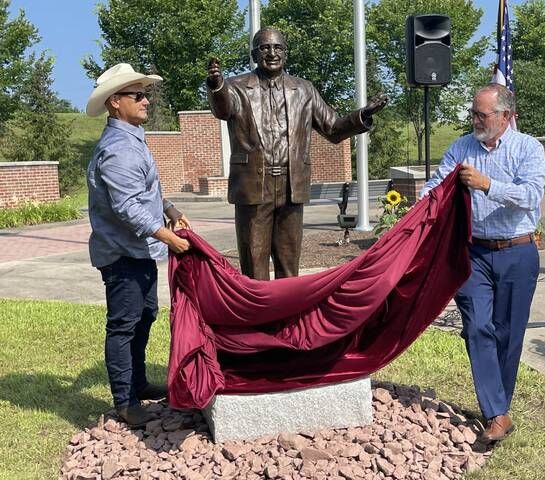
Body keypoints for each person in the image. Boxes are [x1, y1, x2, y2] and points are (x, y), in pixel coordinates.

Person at [206, 27, 387, 280]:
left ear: (286, 53)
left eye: (278, 47)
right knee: (254, 268)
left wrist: (362, 115)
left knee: (289, 267)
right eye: (265, 48)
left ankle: (286, 318)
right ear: (254, 54)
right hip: (254, 187)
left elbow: (332, 128)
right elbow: (223, 110)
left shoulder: (304, 89)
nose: (271, 53)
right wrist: (216, 86)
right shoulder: (235, 87)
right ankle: (258, 319)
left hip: (292, 185)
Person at [420, 83, 545, 443]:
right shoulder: (461, 147)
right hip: (472, 253)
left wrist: (487, 184)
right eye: (473, 113)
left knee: (508, 334)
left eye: (482, 114)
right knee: (477, 327)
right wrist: (418, 210)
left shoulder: (528, 148)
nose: (475, 119)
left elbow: (531, 196)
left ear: (506, 116)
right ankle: (497, 413)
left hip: (517, 252)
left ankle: (498, 411)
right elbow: (436, 187)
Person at [85, 63, 191, 427]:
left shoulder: (133, 139)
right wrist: (169, 238)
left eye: (145, 94)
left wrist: (171, 210)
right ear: (115, 102)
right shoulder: (118, 149)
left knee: (145, 317)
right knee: (124, 325)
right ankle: (125, 402)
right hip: (122, 255)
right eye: (138, 95)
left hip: (139, 252)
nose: (146, 100)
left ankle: (138, 382)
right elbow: (127, 207)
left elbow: (146, 194)